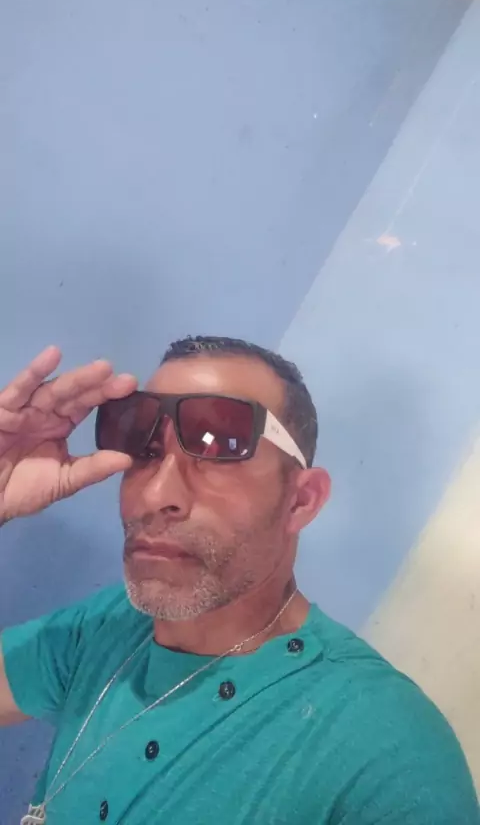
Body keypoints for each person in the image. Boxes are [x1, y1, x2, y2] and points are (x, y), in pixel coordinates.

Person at [0, 335, 478, 825]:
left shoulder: (381, 748)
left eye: (218, 450)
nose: (157, 495)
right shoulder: (108, 630)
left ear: (301, 501)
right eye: (146, 450)